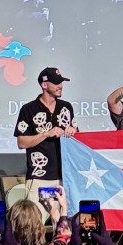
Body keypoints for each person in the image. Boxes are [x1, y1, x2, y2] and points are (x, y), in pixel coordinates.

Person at [14, 67, 77, 198]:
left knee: (62, 218)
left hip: (65, 177)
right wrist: (46, 134)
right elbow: (21, 142)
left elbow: (77, 141)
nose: (60, 86)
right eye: (56, 83)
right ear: (44, 85)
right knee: (36, 218)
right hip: (38, 177)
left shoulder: (66, 107)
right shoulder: (28, 109)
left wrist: (74, 131)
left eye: (61, 83)